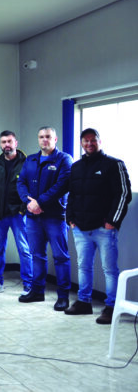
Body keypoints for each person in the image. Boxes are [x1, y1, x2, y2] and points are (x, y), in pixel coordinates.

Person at [65, 128, 132, 323]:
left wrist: (113, 221)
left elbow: (124, 194)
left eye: (93, 140)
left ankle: (111, 307)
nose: (89, 144)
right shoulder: (76, 167)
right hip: (80, 228)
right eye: (85, 141)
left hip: (104, 229)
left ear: (99, 141)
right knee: (83, 266)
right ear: (81, 143)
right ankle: (83, 302)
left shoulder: (114, 164)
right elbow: (72, 195)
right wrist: (70, 219)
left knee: (109, 270)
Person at [16, 126, 73, 310]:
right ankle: (37, 291)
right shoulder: (31, 159)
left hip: (54, 217)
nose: (44, 140)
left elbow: (62, 185)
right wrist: (28, 202)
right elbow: (21, 182)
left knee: (60, 257)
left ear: (55, 139)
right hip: (33, 217)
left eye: (48, 136)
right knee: (37, 255)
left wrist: (39, 202)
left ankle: (63, 296)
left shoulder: (64, 159)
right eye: (41, 137)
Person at [0, 130, 31, 295]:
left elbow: (31, 188)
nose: (7, 145)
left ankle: (29, 284)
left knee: (24, 249)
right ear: (0, 144)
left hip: (18, 215)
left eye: (9, 141)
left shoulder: (27, 163)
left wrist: (23, 209)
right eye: (3, 142)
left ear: (16, 143)